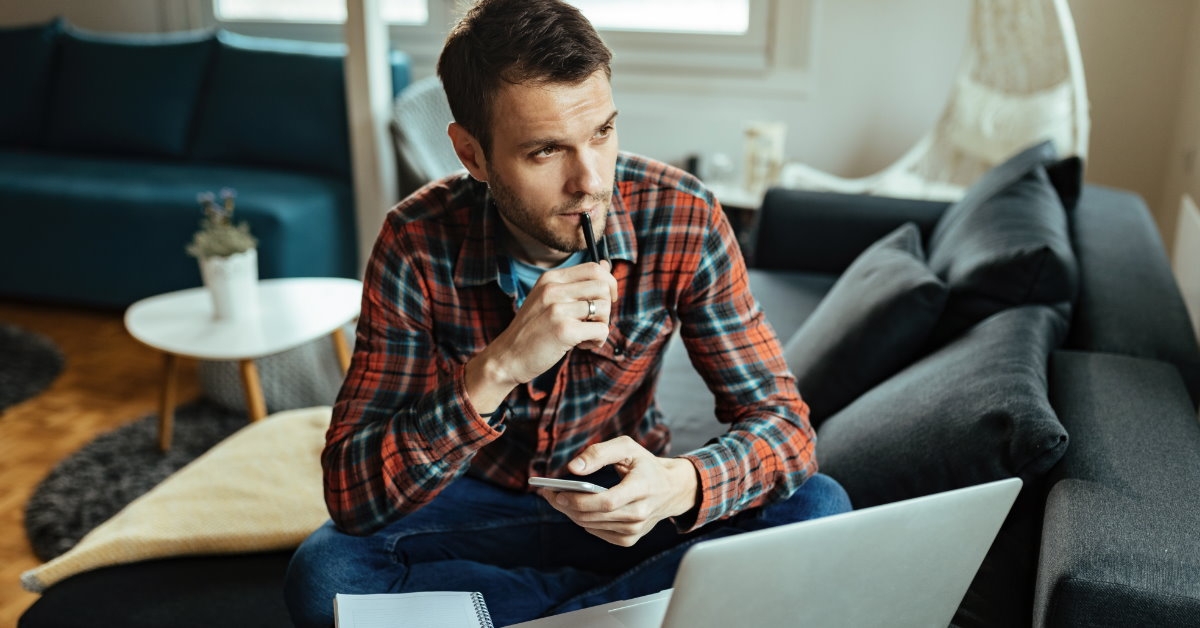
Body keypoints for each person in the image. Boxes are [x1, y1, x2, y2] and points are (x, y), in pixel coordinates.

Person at [284, 0, 851, 625]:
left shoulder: (683, 217)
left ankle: (524, 612)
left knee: (819, 508)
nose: (589, 182)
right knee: (326, 573)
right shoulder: (414, 240)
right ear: (472, 155)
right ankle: (625, 611)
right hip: (478, 503)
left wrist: (680, 484)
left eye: (602, 133)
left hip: (620, 506)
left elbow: (784, 428)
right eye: (545, 151)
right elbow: (351, 494)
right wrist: (496, 367)